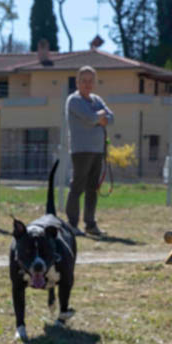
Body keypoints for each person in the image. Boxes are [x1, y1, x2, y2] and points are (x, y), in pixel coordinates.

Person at [65, 65, 114, 237]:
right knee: (77, 187)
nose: (87, 84)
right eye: (84, 81)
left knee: (93, 188)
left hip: (97, 150)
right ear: (77, 82)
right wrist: (99, 117)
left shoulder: (97, 100)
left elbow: (111, 117)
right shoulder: (74, 100)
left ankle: (90, 224)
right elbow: (91, 118)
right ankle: (71, 224)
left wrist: (99, 117)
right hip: (81, 151)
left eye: (90, 81)